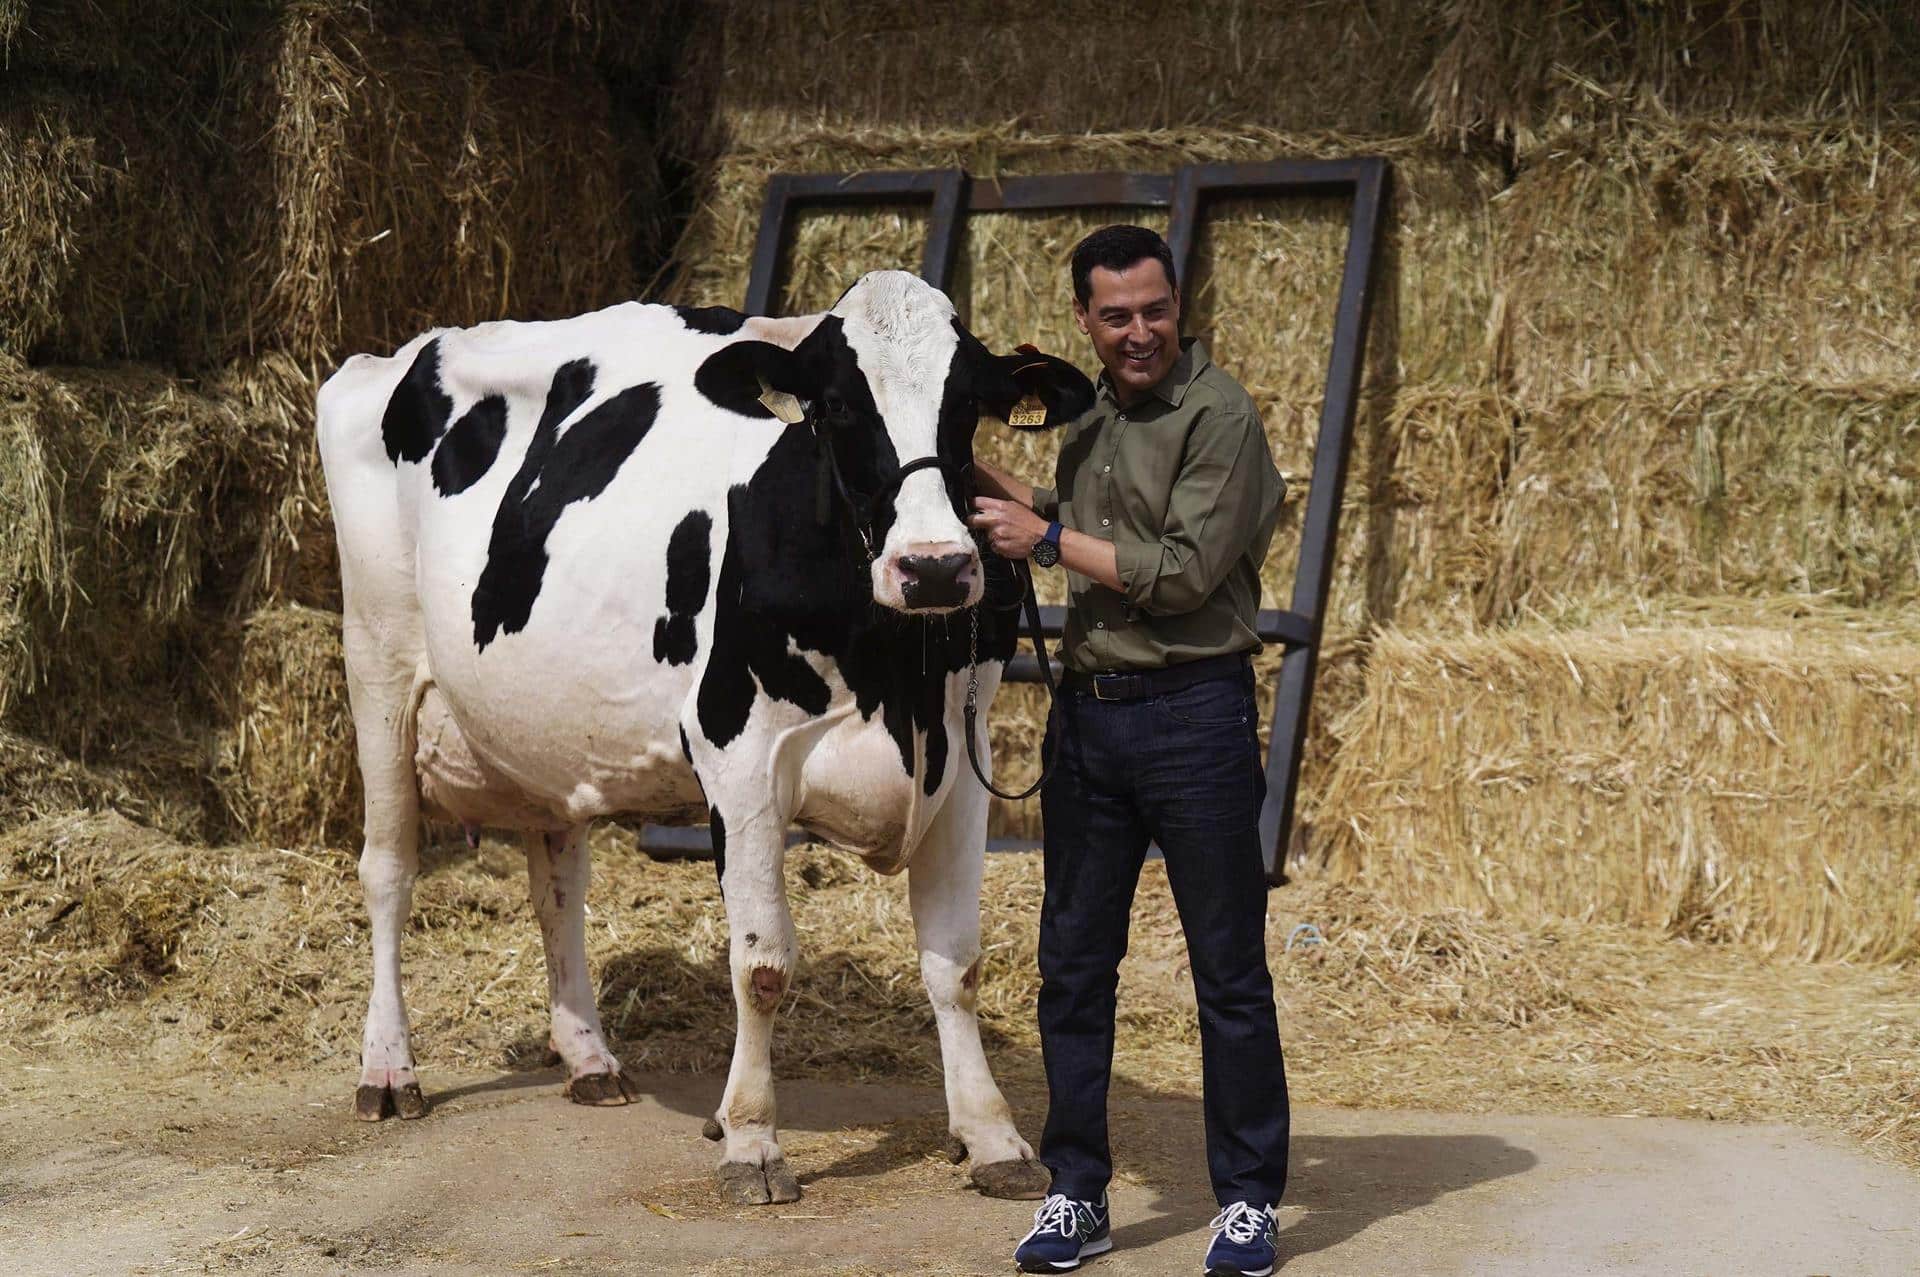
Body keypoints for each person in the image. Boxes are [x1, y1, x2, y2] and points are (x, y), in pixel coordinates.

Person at [969, 224, 1290, 1277]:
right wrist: (995, 488)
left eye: (1155, 309)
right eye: (1117, 316)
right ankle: (1077, 1192)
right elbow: (1086, 518)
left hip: (1194, 715)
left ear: (1177, 303)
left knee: (1227, 971)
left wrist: (1048, 543)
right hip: (1091, 723)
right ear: (1085, 322)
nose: (1140, 331)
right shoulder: (1093, 412)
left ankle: (1246, 1200)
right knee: (1071, 966)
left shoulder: (1221, 414)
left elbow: (1185, 570)